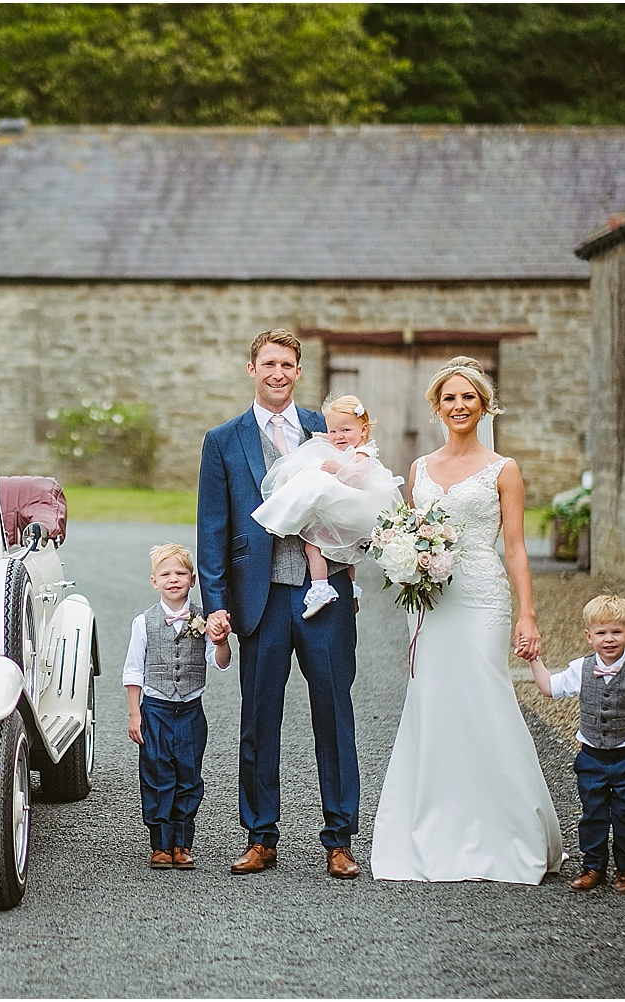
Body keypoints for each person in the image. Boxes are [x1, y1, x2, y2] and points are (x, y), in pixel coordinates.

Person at [369, 355, 564, 884]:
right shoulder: (420, 470)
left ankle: (509, 832)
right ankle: (435, 828)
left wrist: (529, 616)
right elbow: (412, 534)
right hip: (432, 604)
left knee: (485, 696)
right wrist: (405, 563)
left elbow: (518, 549)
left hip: (481, 597)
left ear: (484, 406)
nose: (459, 405)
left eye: (468, 398)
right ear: (437, 406)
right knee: (433, 703)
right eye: (449, 397)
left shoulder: (505, 470)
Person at [198, 329, 362, 879]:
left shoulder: (326, 427)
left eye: (288, 364)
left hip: (326, 593)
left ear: (298, 370)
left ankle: (339, 837)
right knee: (259, 716)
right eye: (268, 363)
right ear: (252, 370)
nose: (278, 373)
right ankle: (260, 835)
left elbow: (358, 498)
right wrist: (215, 603)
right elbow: (213, 529)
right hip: (260, 598)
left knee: (335, 713)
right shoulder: (223, 440)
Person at [523, 594, 625, 894]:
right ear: (588, 637)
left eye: (616, 632)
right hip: (591, 757)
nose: (609, 639)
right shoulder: (580, 669)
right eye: (601, 633)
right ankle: (593, 867)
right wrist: (533, 660)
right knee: (593, 814)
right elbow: (549, 688)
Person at [122, 543, 232, 869]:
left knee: (188, 775)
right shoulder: (143, 622)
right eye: (165, 574)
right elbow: (133, 670)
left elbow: (220, 663)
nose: (174, 579)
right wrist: (134, 713)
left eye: (181, 573)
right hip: (155, 708)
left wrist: (222, 641)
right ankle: (159, 843)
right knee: (157, 774)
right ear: (153, 581)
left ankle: (182, 843)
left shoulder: (205, 620)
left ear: (193, 579)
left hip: (191, 709)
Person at [252, 394, 404, 618]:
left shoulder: (363, 453)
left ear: (363, 430)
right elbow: (329, 439)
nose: (338, 436)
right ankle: (350, 589)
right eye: (333, 431)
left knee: (313, 545)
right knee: (347, 552)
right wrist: (326, 437)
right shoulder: (342, 445)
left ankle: (320, 588)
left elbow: (357, 477)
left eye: (345, 430)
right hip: (346, 509)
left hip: (355, 507)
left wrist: (337, 469)